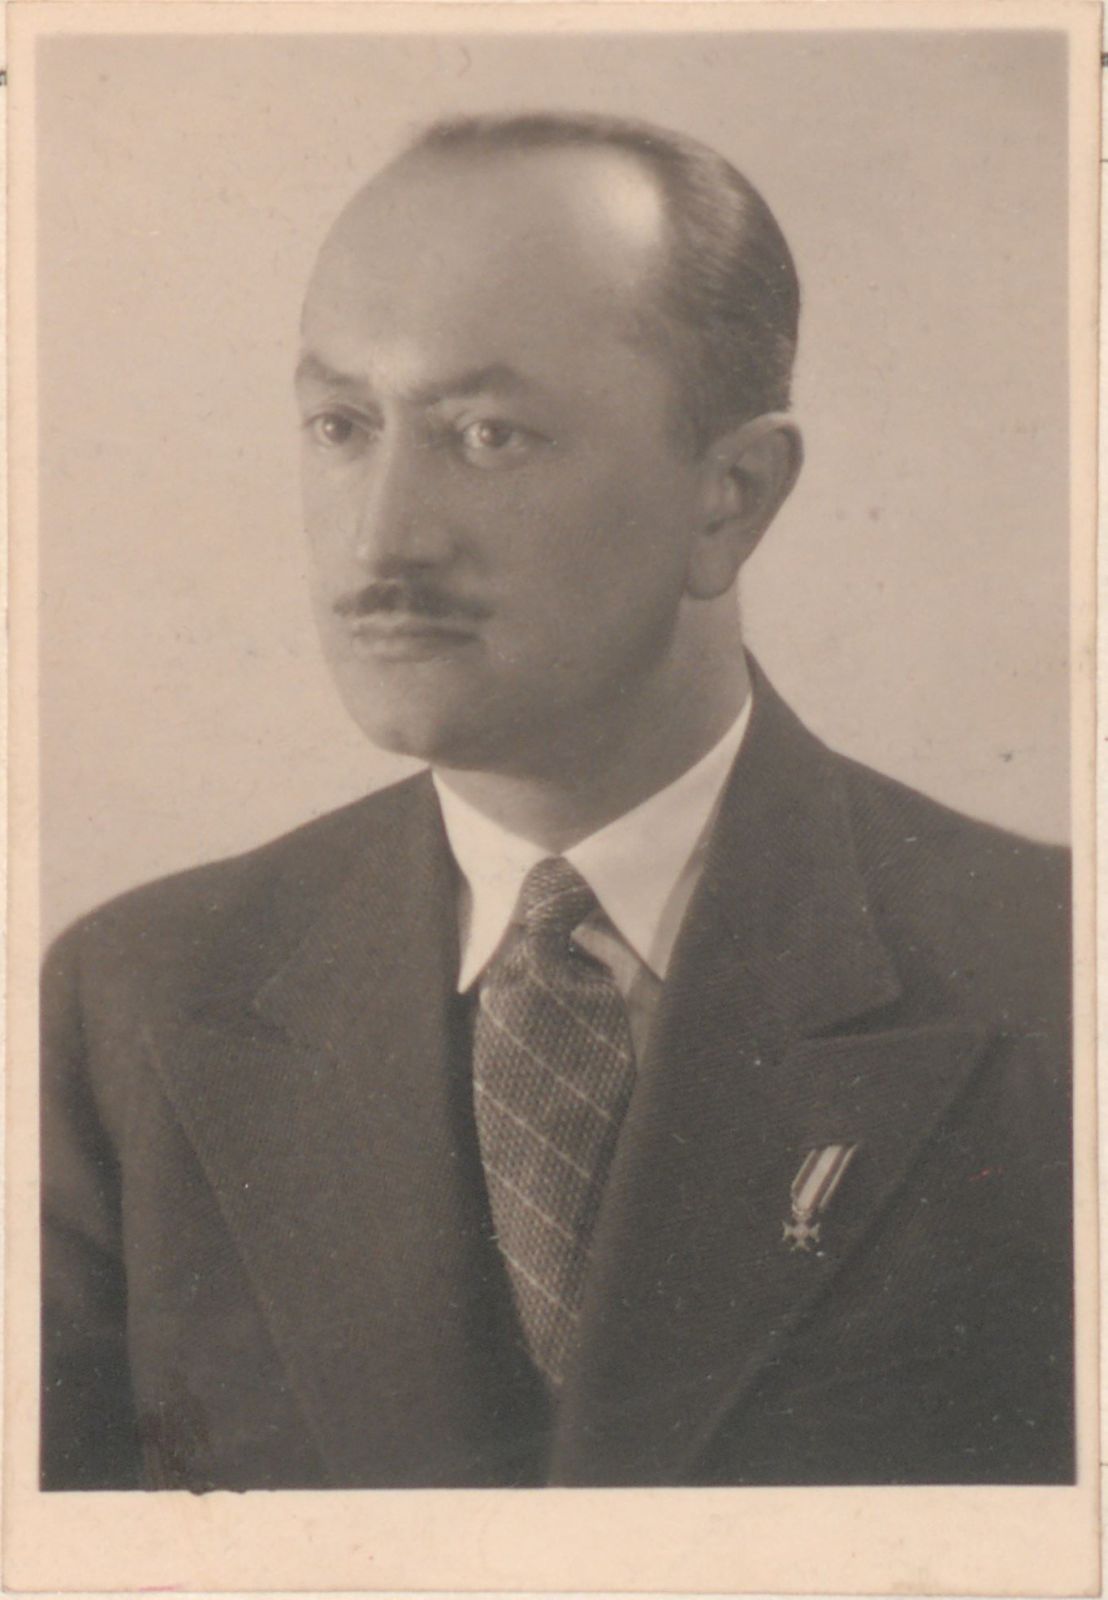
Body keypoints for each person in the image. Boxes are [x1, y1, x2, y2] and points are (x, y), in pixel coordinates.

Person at [40, 111, 1073, 1492]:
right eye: (342, 425)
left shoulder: (1053, 975)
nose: (379, 540)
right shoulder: (133, 1004)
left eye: (489, 435)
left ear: (732, 495)